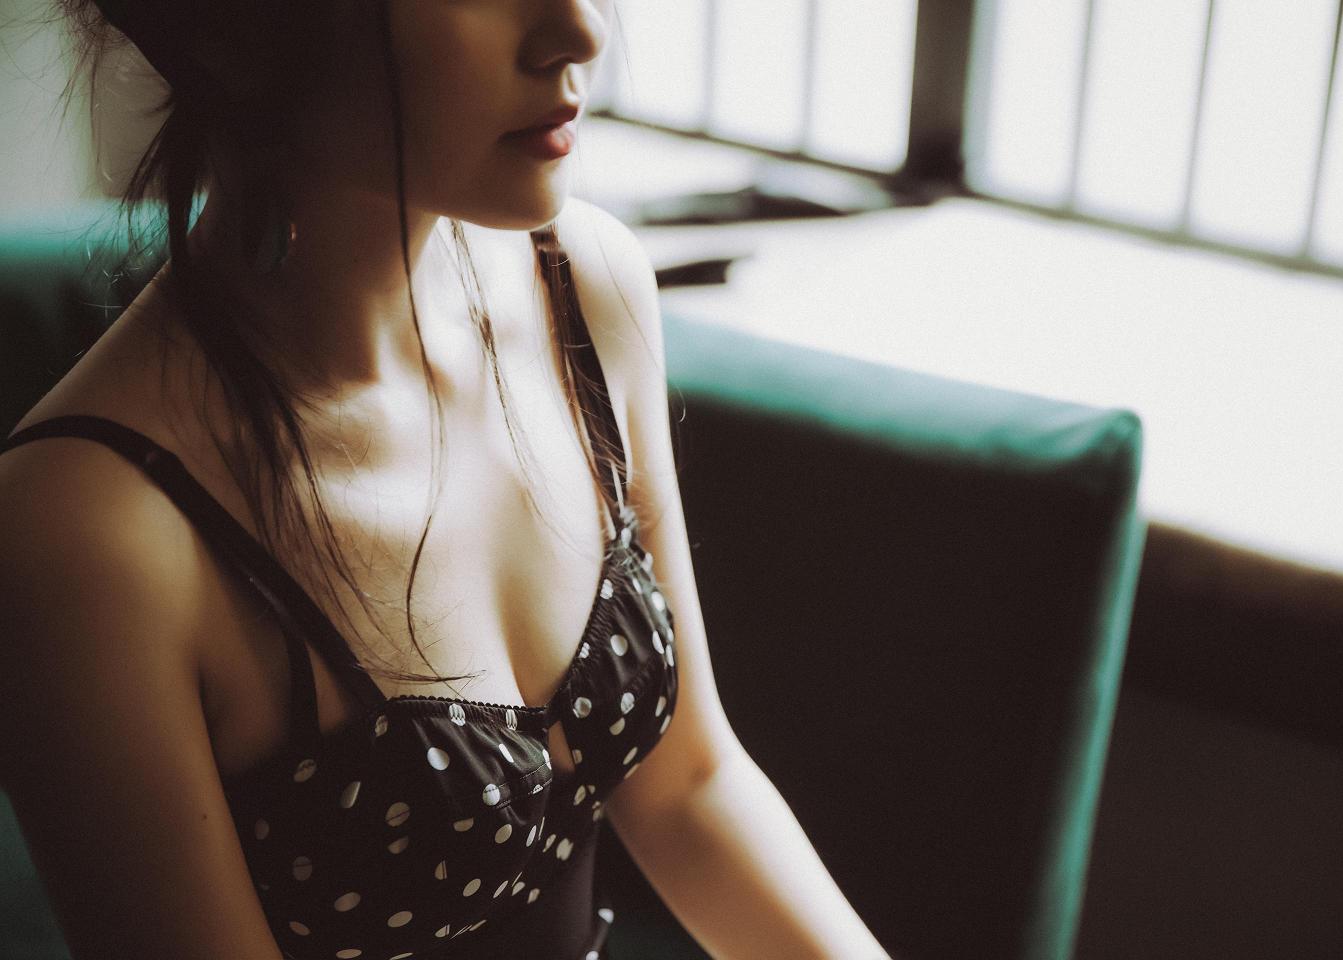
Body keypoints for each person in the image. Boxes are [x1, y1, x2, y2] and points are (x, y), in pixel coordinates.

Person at [0, 2, 893, 959]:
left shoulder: (581, 285)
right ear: (236, 31)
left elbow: (690, 789)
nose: (581, 32)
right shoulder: (86, 533)